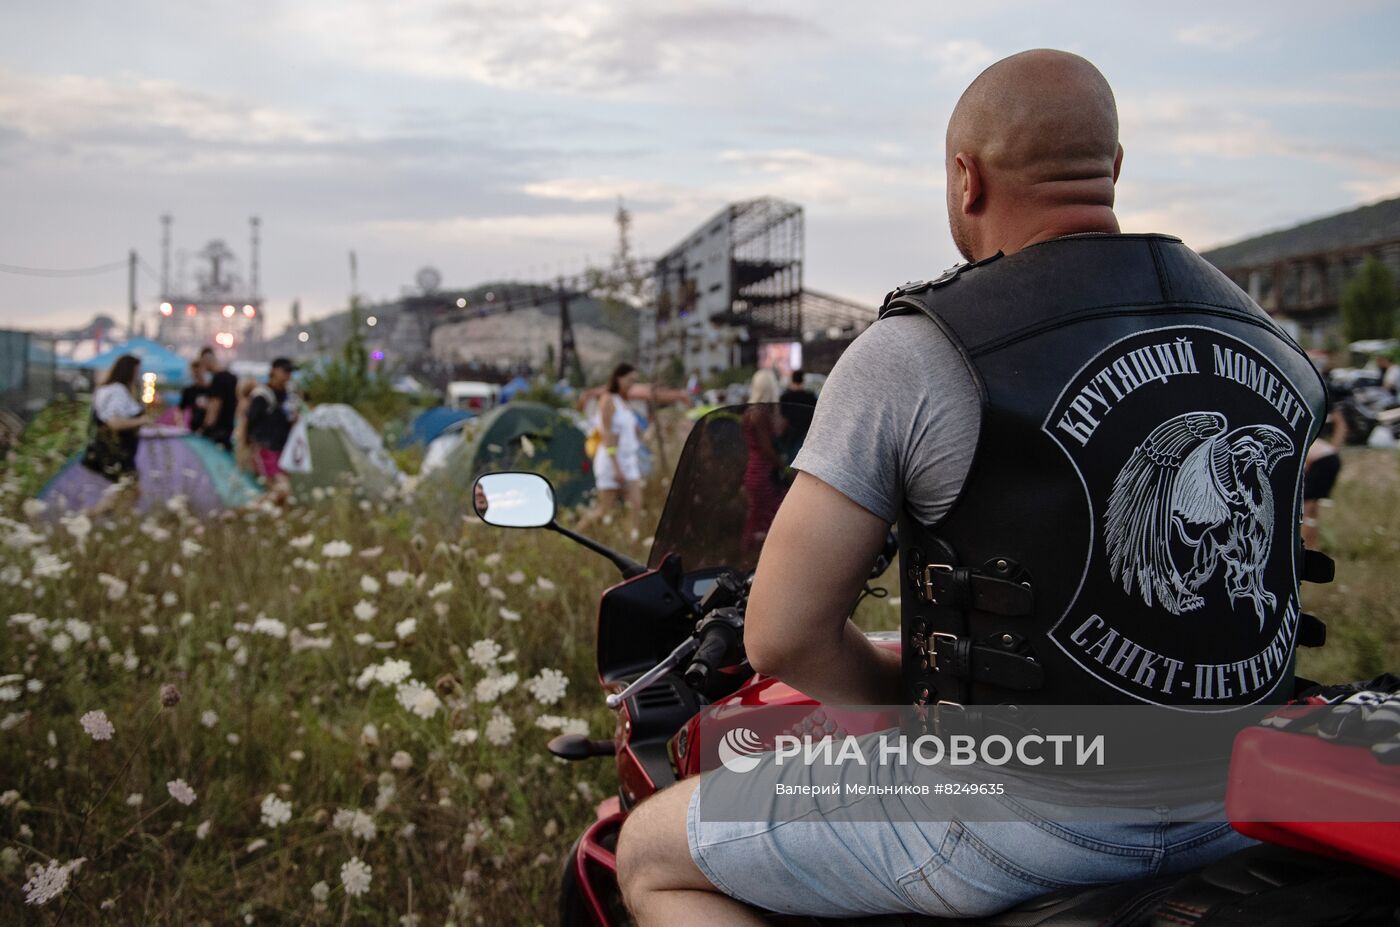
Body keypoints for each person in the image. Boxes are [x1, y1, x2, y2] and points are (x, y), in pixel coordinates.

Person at [616, 49, 1326, 924]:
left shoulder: (921, 347)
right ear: (1114, 168)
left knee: (649, 850)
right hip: (1242, 794)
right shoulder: (1271, 344)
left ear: (966, 177)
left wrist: (905, 694)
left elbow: (783, 635)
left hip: (1021, 810)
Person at [82, 354, 156, 512]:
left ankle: (112, 520)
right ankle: (92, 516)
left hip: (110, 449)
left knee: (128, 491)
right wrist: (141, 420)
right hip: (118, 451)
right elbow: (114, 423)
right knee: (128, 489)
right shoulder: (118, 392)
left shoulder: (105, 389)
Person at [578, 363, 643, 536]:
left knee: (635, 505)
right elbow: (607, 435)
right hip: (611, 460)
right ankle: (579, 532)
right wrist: (615, 466)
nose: (631, 384)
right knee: (605, 509)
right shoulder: (608, 400)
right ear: (618, 378)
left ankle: (632, 541)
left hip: (629, 460)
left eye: (634, 381)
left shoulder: (624, 402)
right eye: (629, 380)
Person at [741, 369, 787, 555]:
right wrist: (784, 466)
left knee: (755, 516)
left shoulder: (749, 412)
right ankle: (767, 556)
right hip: (764, 473)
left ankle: (749, 555)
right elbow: (766, 448)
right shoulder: (761, 414)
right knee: (773, 514)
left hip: (753, 469)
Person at [245, 358, 299, 503]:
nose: (289, 375)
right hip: (266, 449)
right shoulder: (261, 395)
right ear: (274, 371)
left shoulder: (290, 395)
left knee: (280, 488)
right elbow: (250, 421)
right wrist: (250, 446)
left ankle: (267, 512)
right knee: (277, 487)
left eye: (290, 372)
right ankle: (256, 508)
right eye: (286, 371)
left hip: (285, 448)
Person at [1302, 437, 1342, 549]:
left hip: (1321, 461)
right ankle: (1312, 544)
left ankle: (1305, 545)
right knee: (1312, 509)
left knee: (1307, 508)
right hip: (1332, 458)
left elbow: (1304, 466)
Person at [197, 347, 239, 450]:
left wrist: (205, 428)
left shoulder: (218, 379)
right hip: (229, 428)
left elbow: (215, 406)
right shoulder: (232, 377)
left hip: (218, 432)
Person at [178, 360, 209, 432]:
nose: (197, 375)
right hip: (193, 428)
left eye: (199, 372)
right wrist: (181, 425)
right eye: (195, 372)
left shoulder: (211, 390)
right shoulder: (189, 390)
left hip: (208, 430)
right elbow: (180, 409)